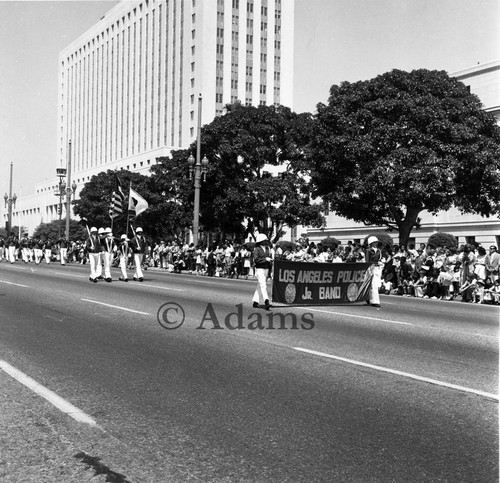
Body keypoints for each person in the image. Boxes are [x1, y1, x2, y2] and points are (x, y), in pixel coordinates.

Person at [252, 233, 273, 310]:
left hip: (266, 268)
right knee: (263, 285)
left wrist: (269, 265)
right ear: (261, 241)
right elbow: (256, 259)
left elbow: (269, 258)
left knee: (260, 285)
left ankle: (255, 301)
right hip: (259, 269)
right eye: (264, 240)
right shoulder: (257, 249)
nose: (266, 241)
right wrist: (265, 259)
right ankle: (266, 301)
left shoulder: (267, 249)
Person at [365, 235, 384, 307]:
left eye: (376, 242)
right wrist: (368, 269)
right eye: (374, 242)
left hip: (377, 269)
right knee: (372, 285)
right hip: (371, 268)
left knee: (376, 285)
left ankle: (369, 297)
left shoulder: (379, 251)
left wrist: (381, 263)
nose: (376, 243)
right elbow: (367, 261)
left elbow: (380, 259)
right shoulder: (368, 251)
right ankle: (375, 301)